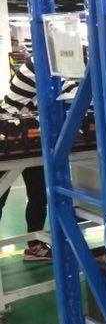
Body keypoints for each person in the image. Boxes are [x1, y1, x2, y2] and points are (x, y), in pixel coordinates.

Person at [0, 57, 76, 261]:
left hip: (30, 138)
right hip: (8, 135)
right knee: (0, 196)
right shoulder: (38, 62)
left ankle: (34, 246)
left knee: (39, 194)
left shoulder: (56, 62)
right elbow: (69, 89)